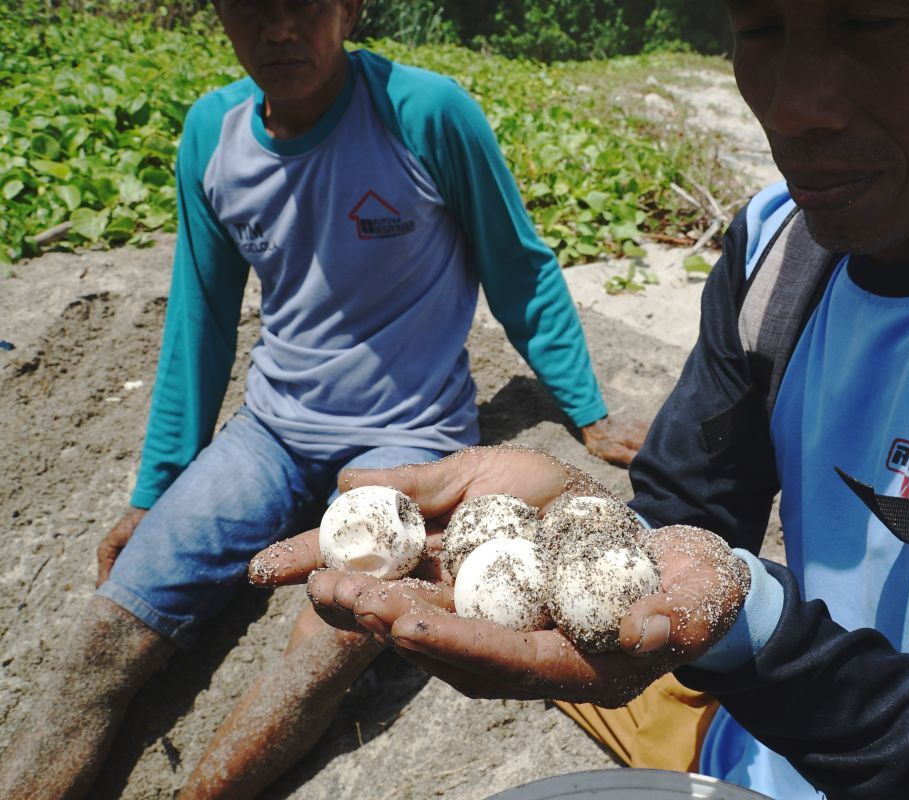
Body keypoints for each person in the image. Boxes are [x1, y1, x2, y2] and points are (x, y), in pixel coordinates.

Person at [251, 0, 909, 797]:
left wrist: (755, 628)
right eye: (761, 26)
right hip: (768, 757)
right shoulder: (779, 251)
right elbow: (681, 527)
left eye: (871, 23)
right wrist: (575, 522)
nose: (793, 106)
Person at [0, 0, 647, 798]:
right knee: (107, 629)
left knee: (333, 634)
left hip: (407, 440)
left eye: (304, 4)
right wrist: (154, 489)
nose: (278, 30)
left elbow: (518, 265)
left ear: (350, 9)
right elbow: (198, 318)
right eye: (250, 8)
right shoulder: (213, 134)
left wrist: (590, 411)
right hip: (269, 432)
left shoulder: (424, 114)